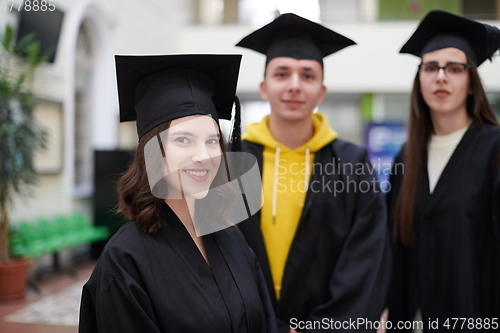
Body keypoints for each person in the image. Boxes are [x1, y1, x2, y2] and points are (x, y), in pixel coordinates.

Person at [79, 54, 277, 333]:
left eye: (211, 141)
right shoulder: (125, 261)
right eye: (183, 140)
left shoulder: (232, 238)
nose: (204, 156)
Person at [236, 13, 391, 332]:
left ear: (321, 91)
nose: (294, 85)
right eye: (282, 74)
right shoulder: (233, 160)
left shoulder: (352, 164)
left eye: (307, 75)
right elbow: (215, 251)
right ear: (264, 88)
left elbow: (365, 261)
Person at [386, 10, 500, 332]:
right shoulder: (406, 159)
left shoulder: (494, 149)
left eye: (454, 68)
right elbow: (393, 249)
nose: (440, 77)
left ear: (472, 83)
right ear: (419, 81)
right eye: (430, 67)